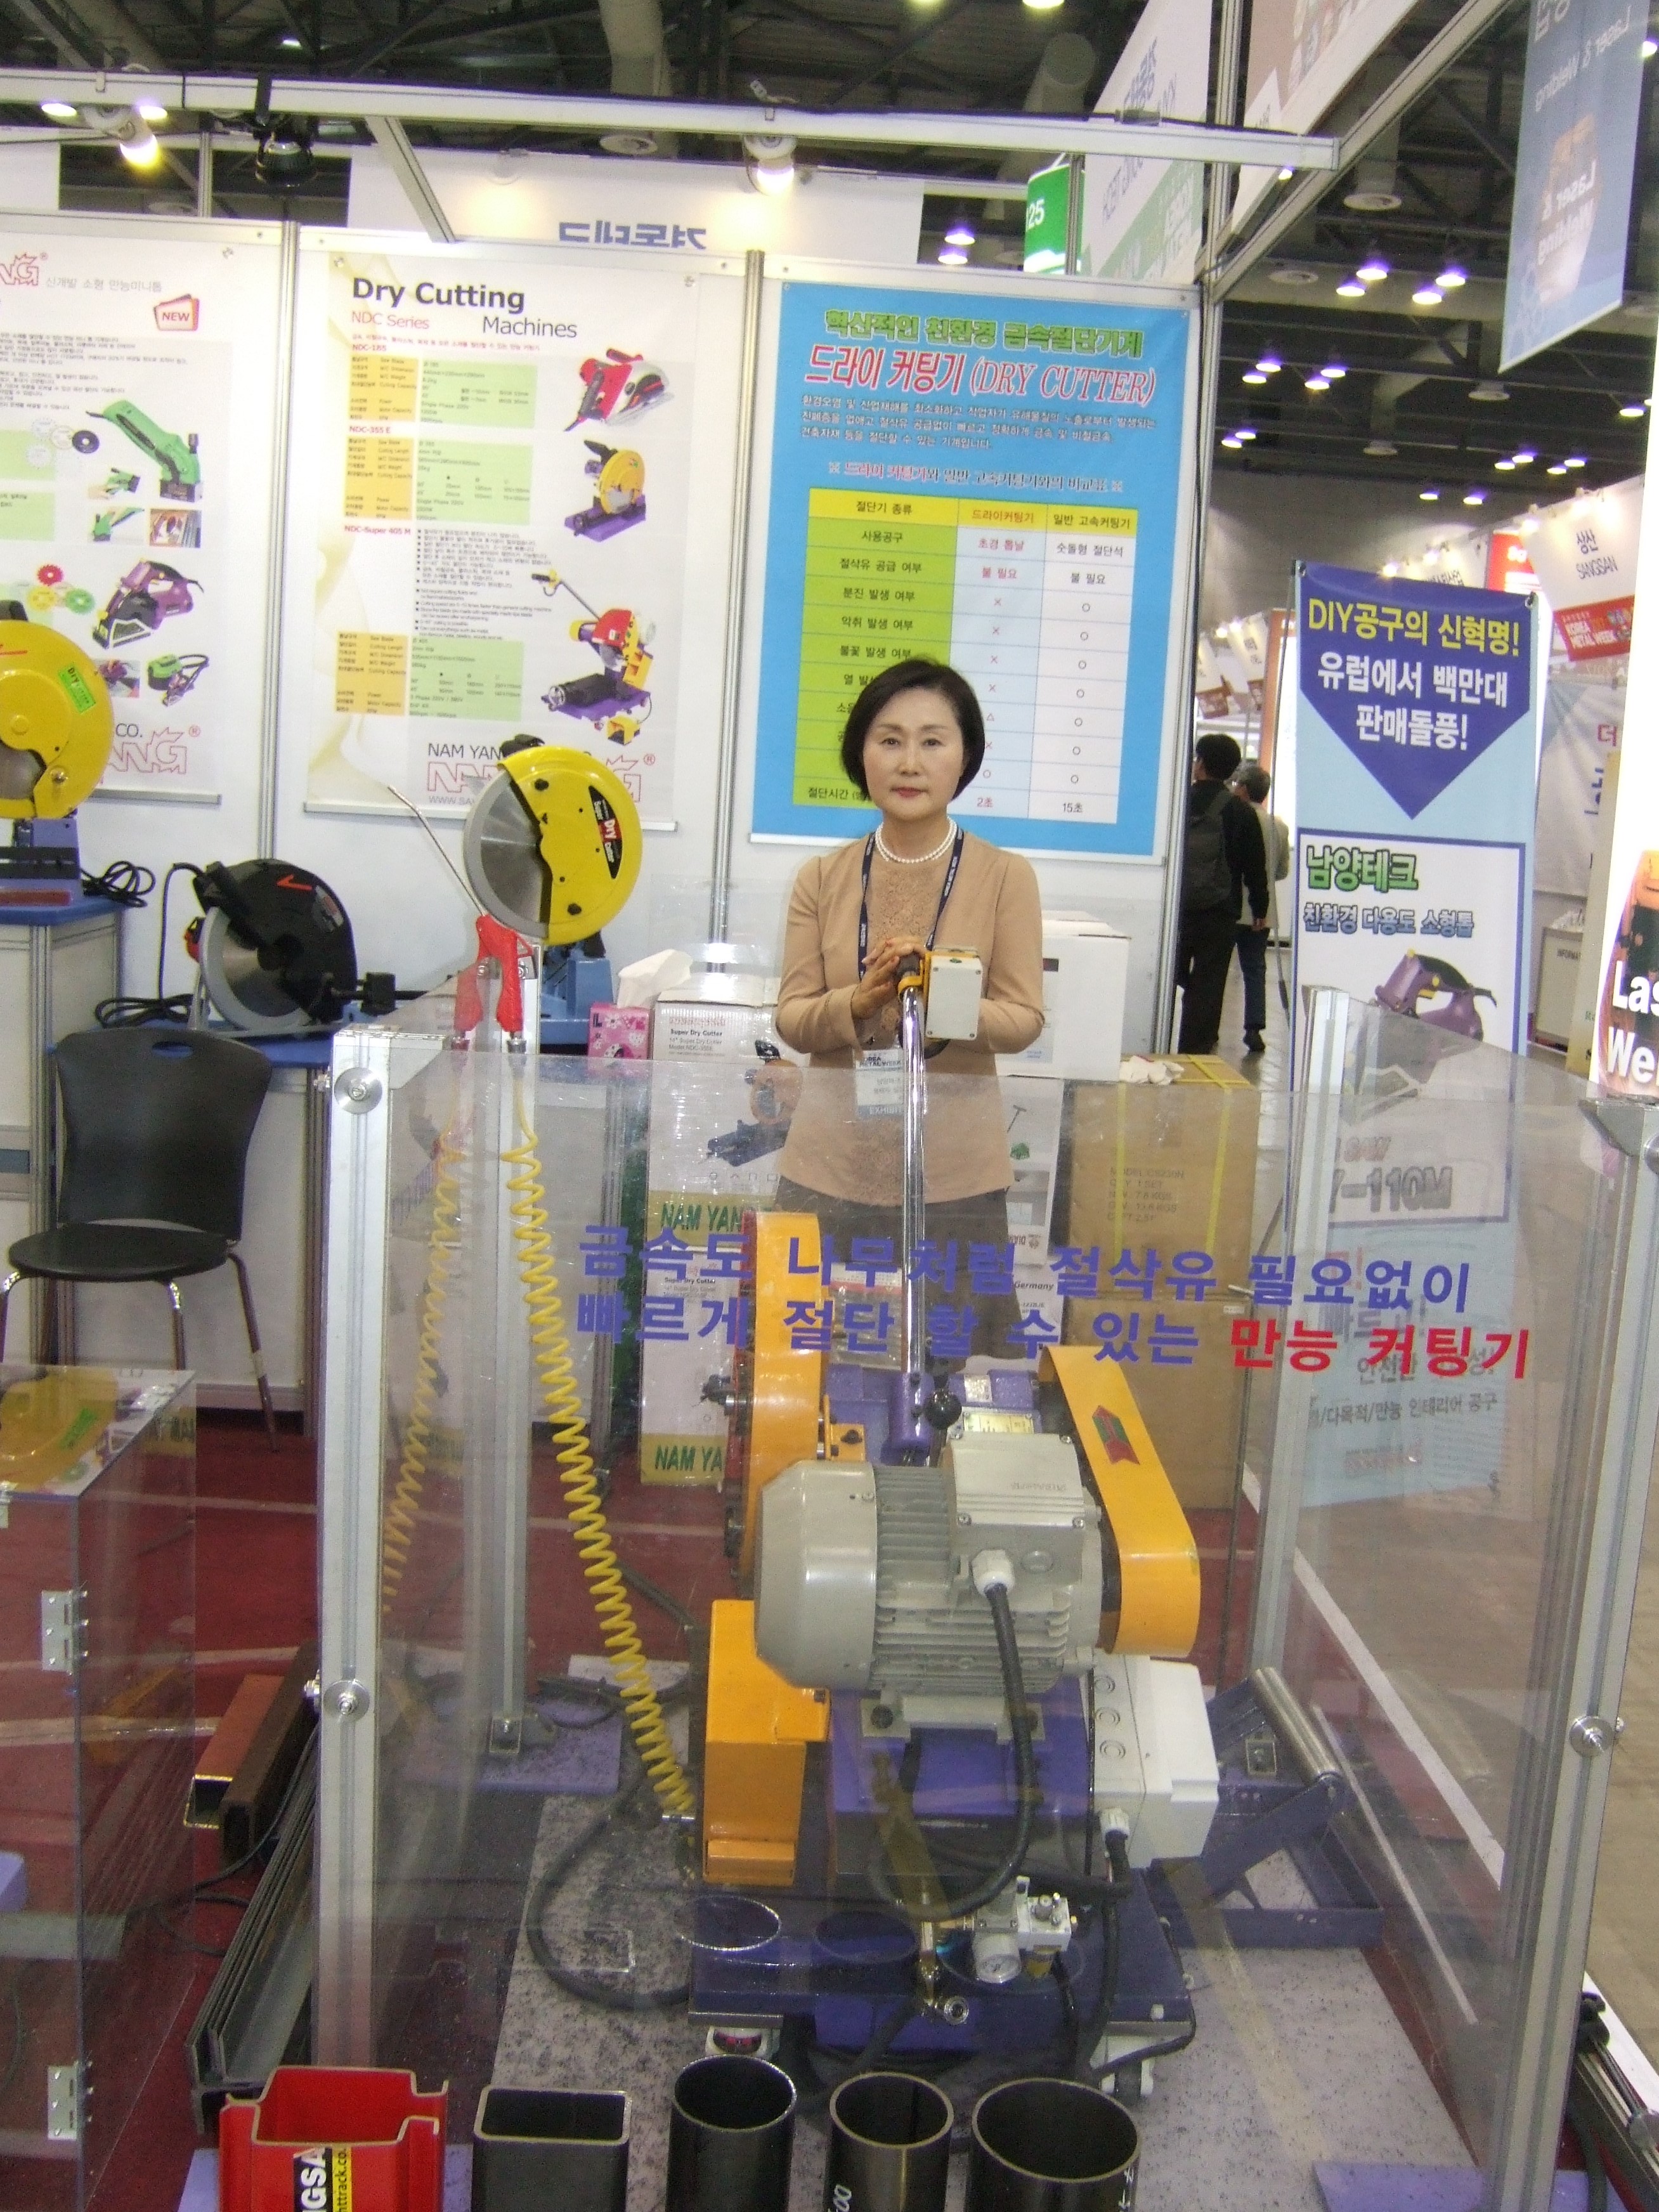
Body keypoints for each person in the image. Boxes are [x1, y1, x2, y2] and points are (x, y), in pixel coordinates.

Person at [773, 658, 1044, 1359]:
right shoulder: (822, 877)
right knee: (815, 1367)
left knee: (945, 1372)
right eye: (889, 739)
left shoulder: (1005, 876)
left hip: (954, 1177)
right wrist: (857, 1003)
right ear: (861, 753)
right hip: (830, 1168)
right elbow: (793, 1017)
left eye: (933, 741)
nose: (910, 762)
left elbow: (1023, 1019)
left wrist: (940, 992)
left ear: (965, 757)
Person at [1174, 729, 1268, 1055]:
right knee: (1209, 984)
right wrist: (1259, 908)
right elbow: (1255, 865)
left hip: (1177, 910)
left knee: (1168, 975)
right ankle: (1196, 1050)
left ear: (1200, 764)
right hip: (1220, 911)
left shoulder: (1178, 801)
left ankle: (1157, 1039)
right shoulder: (1240, 812)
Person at [1230, 758, 1291, 1055]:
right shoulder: (1279, 826)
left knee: (1217, 969)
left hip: (1229, 906)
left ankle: (1209, 1027)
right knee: (1255, 969)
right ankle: (1254, 1029)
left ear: (1243, 789)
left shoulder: (1233, 819)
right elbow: (1282, 871)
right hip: (1262, 913)